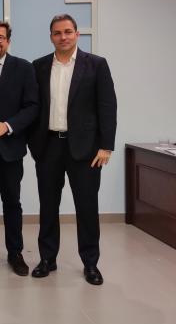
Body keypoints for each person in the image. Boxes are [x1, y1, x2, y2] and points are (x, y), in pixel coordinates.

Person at [29, 14, 117, 285]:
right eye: (57, 33)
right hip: (49, 146)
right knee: (48, 206)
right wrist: (35, 144)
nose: (63, 37)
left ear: (77, 34)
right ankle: (47, 259)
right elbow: (34, 108)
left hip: (86, 150)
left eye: (68, 32)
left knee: (87, 207)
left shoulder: (96, 65)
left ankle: (90, 263)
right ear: (51, 36)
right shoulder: (39, 66)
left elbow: (107, 107)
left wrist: (106, 146)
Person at [0, 21, 39, 276]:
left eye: (0, 37)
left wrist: (8, 126)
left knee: (11, 202)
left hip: (10, 149)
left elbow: (33, 106)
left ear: (8, 41)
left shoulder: (24, 68)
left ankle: (15, 253)